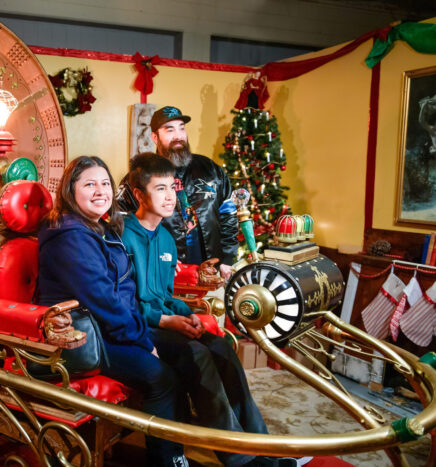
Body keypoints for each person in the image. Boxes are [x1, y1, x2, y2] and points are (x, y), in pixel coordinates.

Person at [121, 153, 288, 467]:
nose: (171, 196)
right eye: (160, 189)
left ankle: (263, 447)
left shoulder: (167, 239)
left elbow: (165, 295)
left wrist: (188, 314)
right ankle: (241, 460)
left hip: (166, 320)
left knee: (222, 347)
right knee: (196, 355)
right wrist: (169, 321)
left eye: (172, 187)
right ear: (139, 195)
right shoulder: (123, 236)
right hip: (141, 328)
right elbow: (127, 305)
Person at [37, 155, 189, 467]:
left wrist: (144, 332)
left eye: (105, 183)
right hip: (78, 337)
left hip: (105, 328)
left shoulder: (99, 228)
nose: (100, 190)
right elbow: (102, 299)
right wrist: (143, 341)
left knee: (189, 354)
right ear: (70, 190)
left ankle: (187, 452)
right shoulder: (70, 236)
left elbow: (125, 291)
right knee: (161, 377)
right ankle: (169, 461)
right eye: (89, 184)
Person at [118, 106, 238, 280]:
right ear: (154, 137)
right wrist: (150, 255)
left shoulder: (210, 169)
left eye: (182, 128)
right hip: (162, 273)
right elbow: (120, 223)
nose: (178, 136)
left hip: (213, 271)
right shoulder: (138, 177)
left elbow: (229, 211)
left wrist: (228, 258)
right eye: (170, 130)